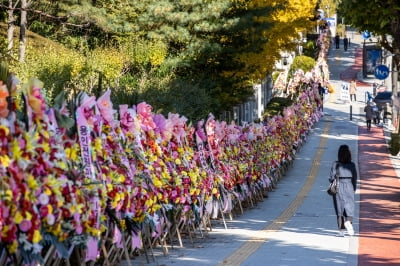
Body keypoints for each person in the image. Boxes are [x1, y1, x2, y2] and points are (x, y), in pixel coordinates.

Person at [329, 144, 357, 237]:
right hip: (349, 186)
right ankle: (348, 222)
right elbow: (355, 178)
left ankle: (341, 231)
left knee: (339, 209)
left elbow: (331, 178)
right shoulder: (352, 165)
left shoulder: (335, 164)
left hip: (338, 187)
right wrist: (354, 188)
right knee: (349, 207)